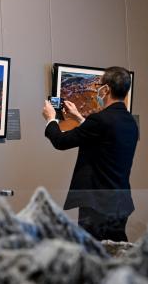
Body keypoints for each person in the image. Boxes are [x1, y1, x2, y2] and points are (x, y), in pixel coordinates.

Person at [42, 66, 138, 242]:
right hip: (120, 202)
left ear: (106, 89)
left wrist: (51, 119)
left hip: (97, 204)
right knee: (117, 250)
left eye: (99, 86)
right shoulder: (129, 121)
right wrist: (79, 117)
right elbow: (103, 136)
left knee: (93, 251)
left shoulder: (100, 120)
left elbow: (61, 141)